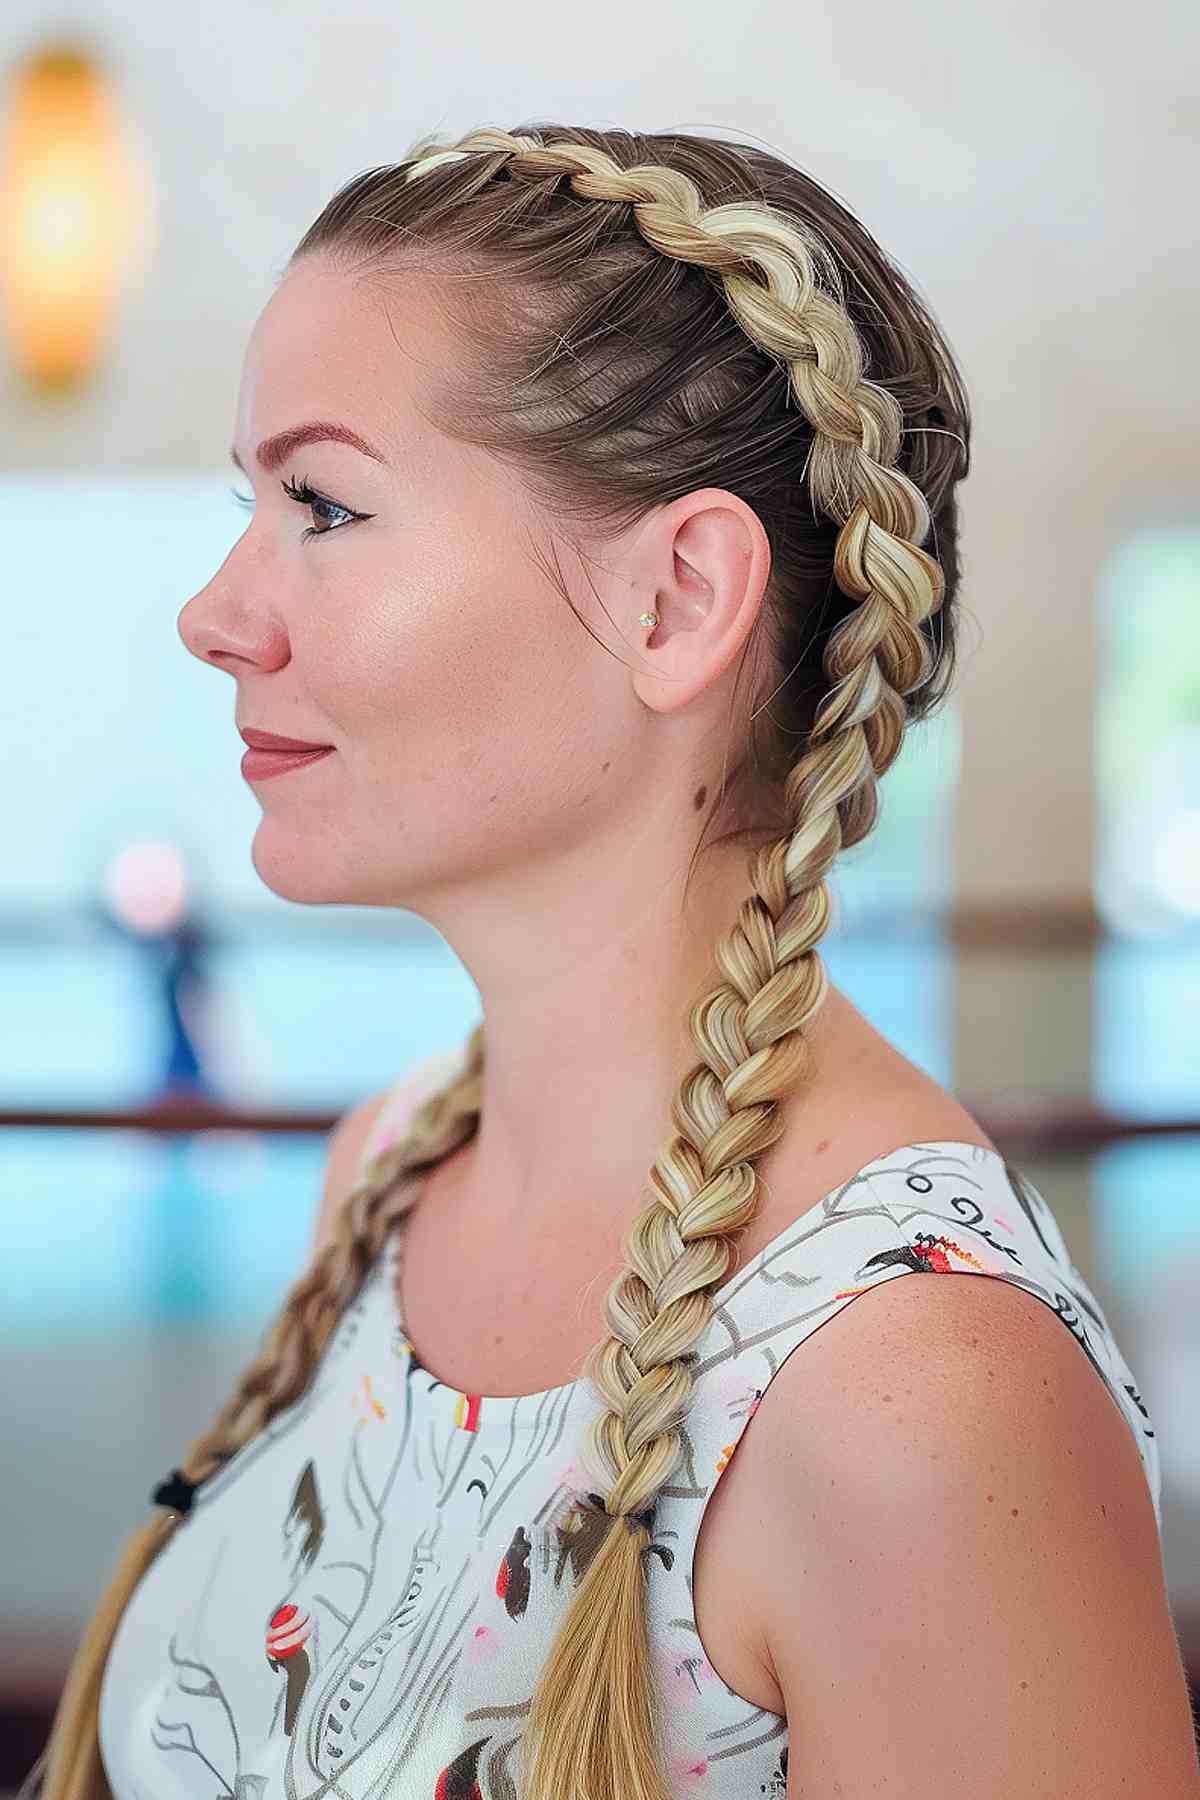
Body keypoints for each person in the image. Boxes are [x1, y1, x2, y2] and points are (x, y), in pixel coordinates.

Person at [27, 123, 1199, 1800]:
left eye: (323, 505)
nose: (218, 612)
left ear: (679, 601)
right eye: (249, 505)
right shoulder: (387, 1177)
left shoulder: (924, 1390)